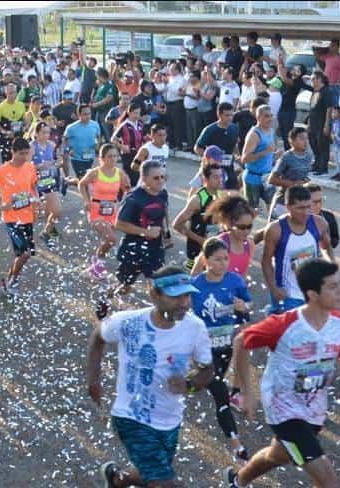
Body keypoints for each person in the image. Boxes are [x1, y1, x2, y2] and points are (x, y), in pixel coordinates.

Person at [224, 259, 340, 488]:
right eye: (332, 286)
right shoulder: (284, 324)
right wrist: (246, 392)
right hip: (283, 409)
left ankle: (238, 481)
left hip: (314, 408)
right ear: (312, 294)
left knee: (277, 455)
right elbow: (241, 341)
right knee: (328, 480)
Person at [89, 266, 213, 488]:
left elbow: (207, 370)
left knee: (149, 473)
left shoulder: (195, 327)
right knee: (163, 483)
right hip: (130, 416)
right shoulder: (128, 322)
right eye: (176, 296)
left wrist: (189, 384)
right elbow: (98, 337)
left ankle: (116, 480)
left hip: (170, 418)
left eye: (187, 295)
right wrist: (94, 380)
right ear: (155, 295)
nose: (185, 303)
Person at [190, 238, 251, 462]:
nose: (224, 263)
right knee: (220, 393)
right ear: (206, 260)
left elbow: (247, 306)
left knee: (207, 382)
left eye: (226, 258)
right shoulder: (195, 285)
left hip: (224, 346)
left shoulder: (235, 281)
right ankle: (237, 445)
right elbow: (184, 315)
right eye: (218, 259)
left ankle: (187, 383)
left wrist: (244, 307)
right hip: (202, 349)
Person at [0, 137, 38, 295]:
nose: (24, 157)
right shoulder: (2, 170)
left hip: (27, 216)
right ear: (12, 152)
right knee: (25, 253)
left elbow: (33, 186)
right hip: (11, 218)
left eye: (27, 154)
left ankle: (10, 278)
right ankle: (11, 280)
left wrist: (36, 200)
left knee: (23, 254)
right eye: (21, 154)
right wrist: (0, 204)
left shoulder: (29, 167)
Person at [112, 160, 169, 296]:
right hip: (133, 249)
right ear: (144, 179)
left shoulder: (163, 193)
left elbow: (163, 211)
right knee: (123, 287)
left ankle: (160, 313)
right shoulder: (134, 198)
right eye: (156, 178)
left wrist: (167, 234)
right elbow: (118, 223)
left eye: (163, 177)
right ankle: (105, 301)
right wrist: (146, 232)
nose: (161, 181)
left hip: (155, 249)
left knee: (157, 285)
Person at [78, 144, 132, 280]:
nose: (113, 159)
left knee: (108, 240)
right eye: (110, 156)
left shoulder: (119, 173)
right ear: (102, 158)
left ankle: (96, 264)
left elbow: (127, 189)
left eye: (115, 156)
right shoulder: (95, 172)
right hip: (96, 210)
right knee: (111, 239)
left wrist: (124, 199)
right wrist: (86, 200)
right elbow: (81, 184)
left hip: (112, 210)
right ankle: (96, 263)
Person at [189, 194, 256, 278]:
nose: (246, 231)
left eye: (249, 226)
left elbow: (243, 275)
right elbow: (195, 273)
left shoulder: (250, 244)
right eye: (241, 227)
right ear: (230, 224)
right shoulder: (217, 243)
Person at [172, 163, 222, 271]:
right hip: (196, 252)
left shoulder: (219, 195)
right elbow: (176, 225)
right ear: (205, 179)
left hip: (213, 250)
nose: (220, 180)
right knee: (195, 283)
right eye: (215, 177)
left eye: (220, 176)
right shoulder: (198, 199)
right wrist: (200, 240)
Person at [30, 122, 64, 247]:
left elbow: (58, 158)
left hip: (49, 180)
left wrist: (59, 162)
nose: (46, 135)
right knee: (35, 215)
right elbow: (26, 167)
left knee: (57, 211)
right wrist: (39, 166)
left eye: (48, 132)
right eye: (43, 132)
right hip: (34, 183)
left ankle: (46, 232)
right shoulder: (32, 147)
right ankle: (33, 238)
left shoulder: (52, 145)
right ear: (36, 133)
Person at [240, 105, 280, 211]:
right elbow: (244, 158)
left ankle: (270, 227)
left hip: (267, 178)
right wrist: (265, 151)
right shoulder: (254, 134)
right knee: (252, 212)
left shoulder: (271, 131)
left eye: (271, 116)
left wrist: (276, 156)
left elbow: (269, 156)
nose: (270, 119)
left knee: (273, 209)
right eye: (266, 116)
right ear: (258, 117)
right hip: (253, 178)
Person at [267, 127, 311, 220]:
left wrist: (306, 181)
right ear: (292, 141)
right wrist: (294, 184)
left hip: (301, 200)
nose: (305, 141)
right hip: (283, 201)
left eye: (306, 138)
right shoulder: (286, 157)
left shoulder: (308, 156)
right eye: (302, 138)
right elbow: (271, 179)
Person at [195, 103, 240, 190]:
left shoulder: (235, 128)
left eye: (231, 115)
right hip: (212, 169)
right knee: (205, 194)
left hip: (229, 168)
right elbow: (197, 148)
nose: (230, 118)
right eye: (227, 115)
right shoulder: (210, 129)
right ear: (219, 114)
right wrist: (209, 160)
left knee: (233, 194)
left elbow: (235, 145)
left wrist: (238, 157)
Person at [111, 102, 145, 187]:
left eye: (139, 113)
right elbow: (113, 139)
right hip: (128, 156)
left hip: (138, 155)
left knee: (138, 179)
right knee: (129, 179)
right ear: (129, 112)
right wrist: (122, 146)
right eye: (135, 113)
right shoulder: (124, 125)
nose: (137, 115)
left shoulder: (140, 124)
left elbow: (143, 137)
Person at [65, 104, 101, 179]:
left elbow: (98, 136)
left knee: (86, 179)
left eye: (89, 114)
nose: (88, 116)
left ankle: (68, 181)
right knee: (82, 179)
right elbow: (65, 139)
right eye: (85, 114)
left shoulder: (95, 125)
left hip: (89, 156)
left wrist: (97, 144)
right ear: (79, 115)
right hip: (77, 158)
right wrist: (70, 149)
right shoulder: (71, 128)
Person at [0, 83, 26, 162]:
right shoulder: (0, 107)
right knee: (7, 161)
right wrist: (5, 132)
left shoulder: (21, 105)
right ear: (6, 93)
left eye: (14, 92)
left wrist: (25, 126)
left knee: (20, 160)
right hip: (6, 138)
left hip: (19, 137)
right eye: (10, 93)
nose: (13, 95)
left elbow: (25, 120)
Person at [307, 72, 330, 175]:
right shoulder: (315, 91)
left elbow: (329, 108)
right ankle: (316, 164)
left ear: (319, 79)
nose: (311, 81)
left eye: (313, 79)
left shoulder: (326, 91)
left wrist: (327, 124)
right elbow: (311, 108)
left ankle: (323, 167)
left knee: (322, 145)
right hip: (313, 122)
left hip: (321, 123)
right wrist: (308, 123)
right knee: (313, 144)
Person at [305, 183, 340, 250]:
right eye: (315, 202)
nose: (318, 205)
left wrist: (325, 242)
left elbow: (335, 239)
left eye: (320, 200)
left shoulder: (329, 217)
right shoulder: (296, 220)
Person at [322, 39, 340, 107]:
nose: (331, 47)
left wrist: (338, 82)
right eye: (330, 46)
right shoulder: (327, 56)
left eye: (333, 46)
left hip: (334, 86)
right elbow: (319, 57)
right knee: (326, 105)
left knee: (333, 106)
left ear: (338, 47)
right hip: (326, 85)